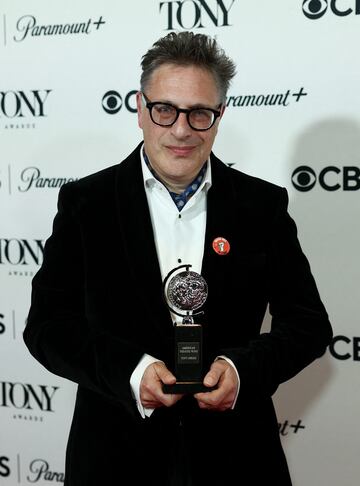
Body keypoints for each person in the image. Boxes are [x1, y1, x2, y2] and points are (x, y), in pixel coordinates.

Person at [24, 31, 332, 486]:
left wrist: (241, 370)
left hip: (236, 458)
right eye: (165, 109)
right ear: (140, 108)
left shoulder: (260, 206)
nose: (181, 129)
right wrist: (130, 372)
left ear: (220, 115)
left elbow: (308, 325)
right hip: (114, 457)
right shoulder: (86, 203)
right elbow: (47, 327)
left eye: (199, 113)